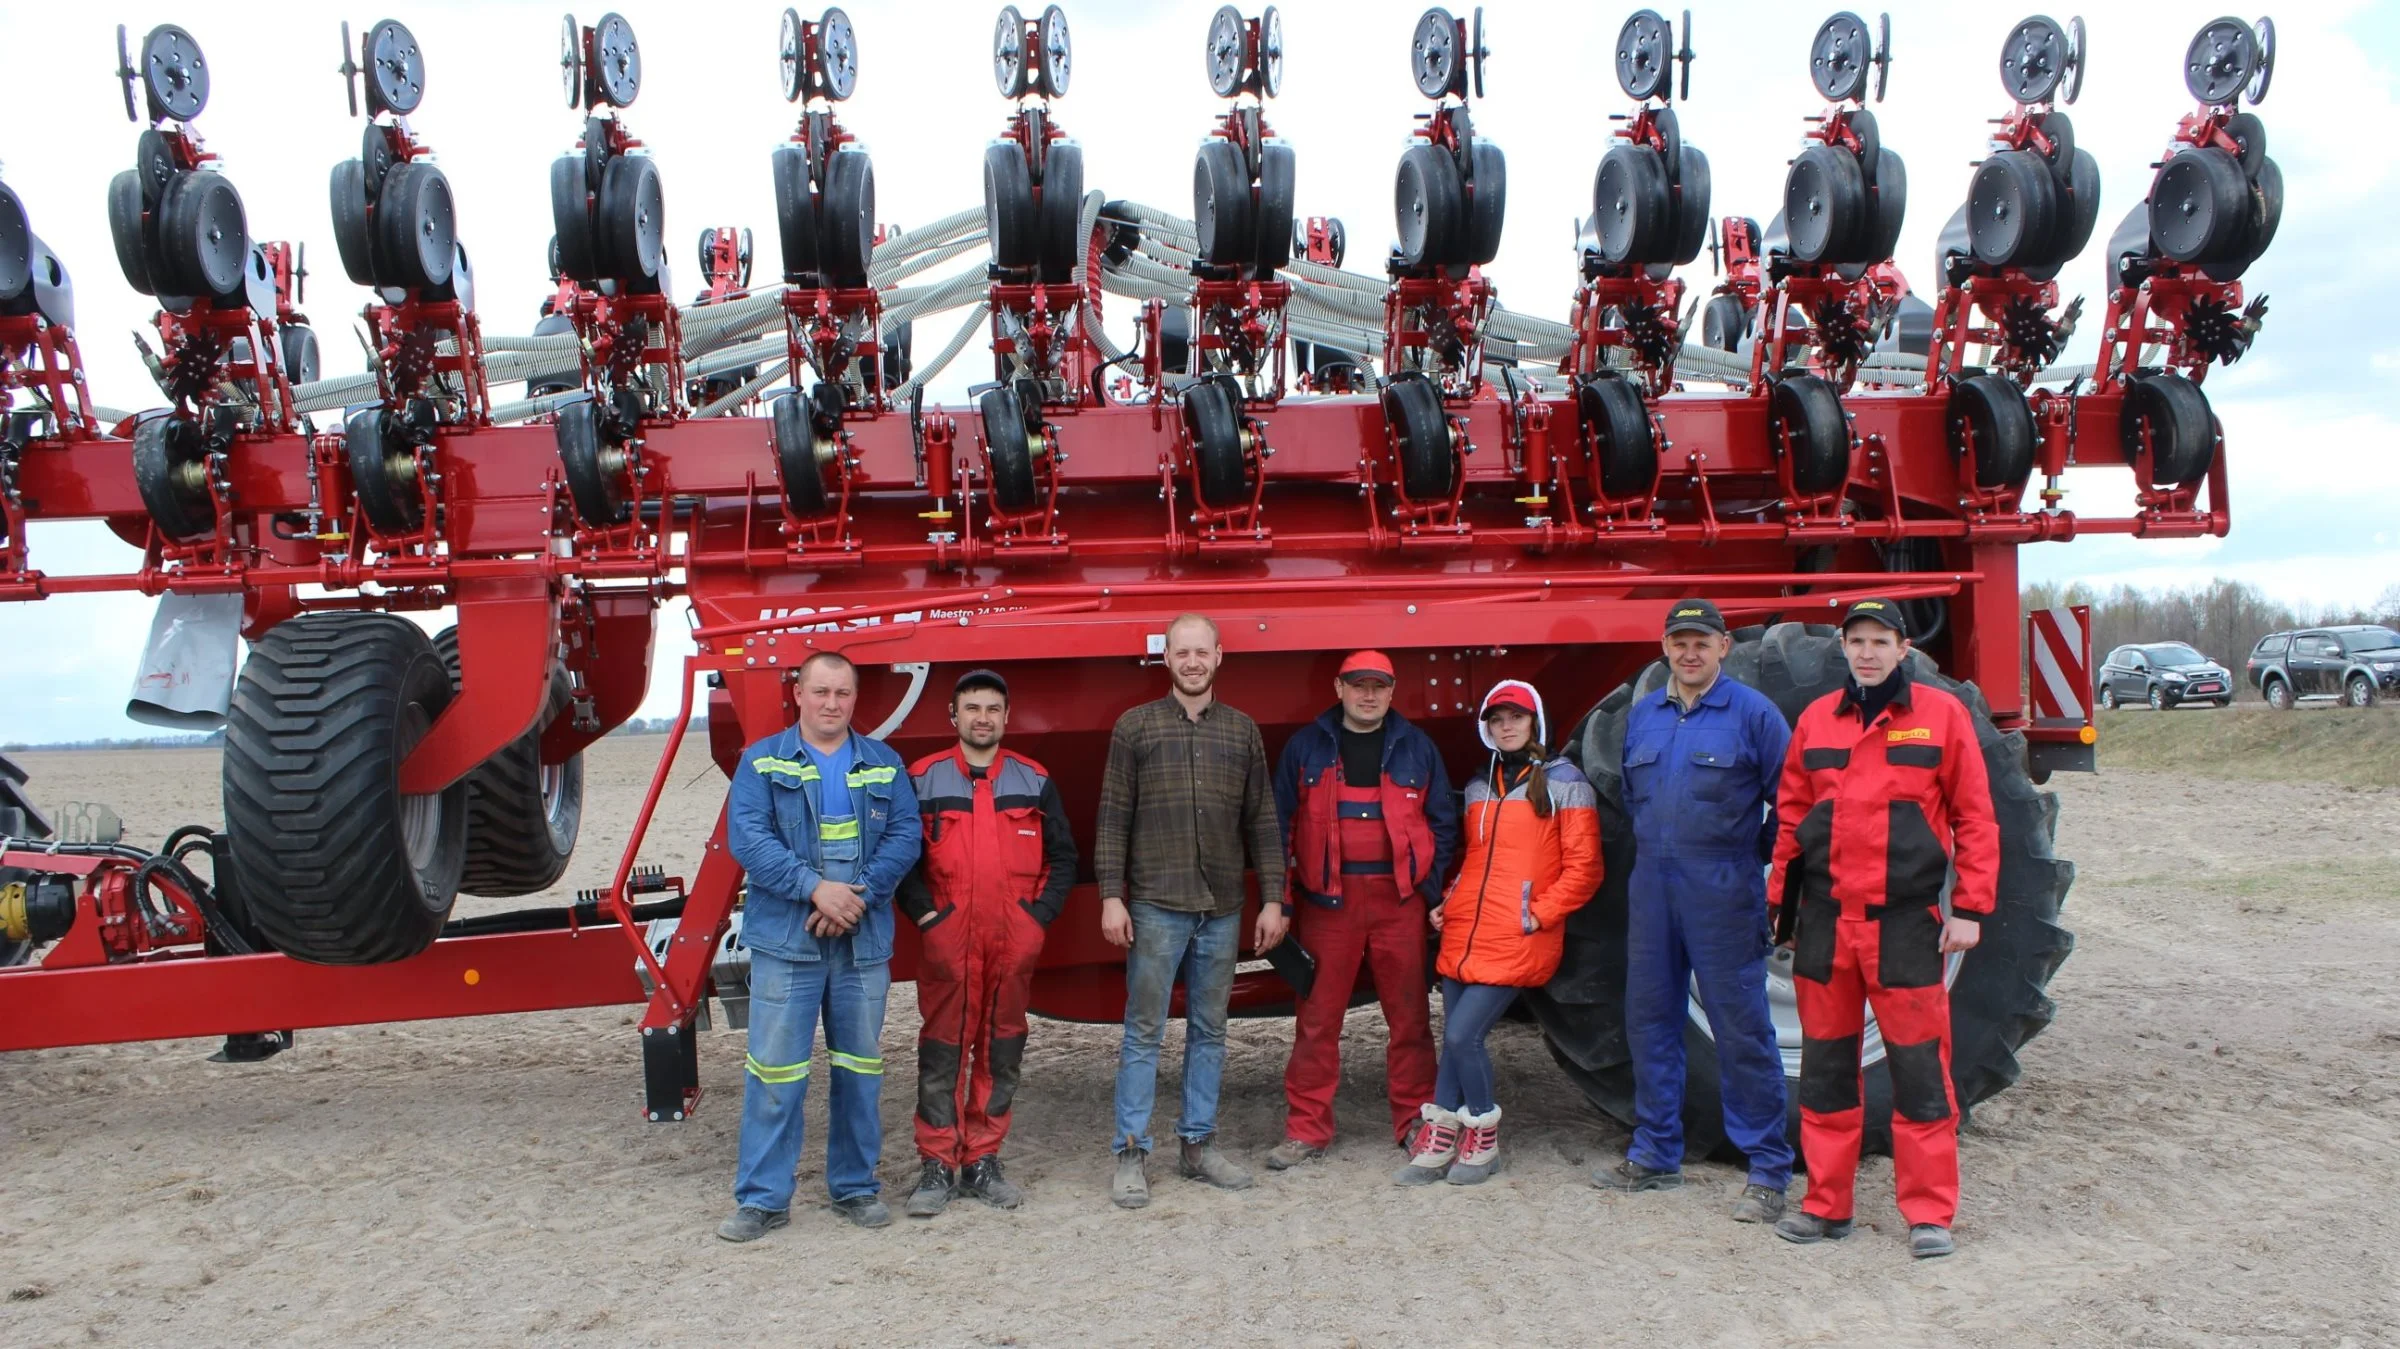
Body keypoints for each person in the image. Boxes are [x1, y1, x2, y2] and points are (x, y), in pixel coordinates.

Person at [1768, 598, 1997, 1260]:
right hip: (1826, 926)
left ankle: (1929, 1213)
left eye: (1880, 640)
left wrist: (1972, 908)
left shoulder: (1941, 718)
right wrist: (1782, 914)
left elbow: (1977, 818)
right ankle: (1825, 1203)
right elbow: (1790, 822)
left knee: (1921, 1072)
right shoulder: (1816, 721)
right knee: (1826, 1072)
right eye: (1856, 640)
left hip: (1905, 926)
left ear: (1904, 649)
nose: (1867, 652)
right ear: (1843, 647)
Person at [1594, 599, 1796, 1222]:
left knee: (1741, 1028)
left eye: (1702, 642)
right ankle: (1656, 1152)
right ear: (1664, 647)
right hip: (1653, 888)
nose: (1690, 653)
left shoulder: (1754, 715)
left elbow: (1790, 803)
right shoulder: (1645, 716)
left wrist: (1747, 861)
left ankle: (1767, 1168)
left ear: (1723, 647)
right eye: (1680, 642)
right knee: (1650, 1020)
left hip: (1723, 890)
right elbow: (1635, 798)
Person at [716, 651, 923, 1239]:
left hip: (861, 940)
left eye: (843, 694)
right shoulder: (760, 764)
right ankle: (762, 1200)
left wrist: (855, 896)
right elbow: (749, 840)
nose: (832, 704)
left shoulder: (884, 764)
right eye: (821, 692)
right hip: (788, 944)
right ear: (798, 694)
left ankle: (855, 1189)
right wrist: (816, 891)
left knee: (860, 1070)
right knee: (775, 1073)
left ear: (856, 699)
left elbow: (907, 836)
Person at [1093, 613, 1287, 1209]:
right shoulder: (1136, 727)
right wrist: (1110, 895)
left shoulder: (1242, 731)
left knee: (1210, 1031)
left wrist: (1274, 898)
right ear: (1167, 658)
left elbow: (1262, 819)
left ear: (1219, 657)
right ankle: (1131, 1151)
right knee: (1144, 1031)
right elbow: (1112, 817)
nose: (1193, 661)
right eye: (1183, 652)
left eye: (1202, 652)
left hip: (1223, 906)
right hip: (1156, 904)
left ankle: (1198, 1145)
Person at [1395, 679, 1602, 1187]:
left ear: (1536, 724)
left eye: (1516, 718)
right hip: (1468, 928)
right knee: (1455, 1038)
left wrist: (1539, 913)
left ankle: (1483, 1138)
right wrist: (1451, 900)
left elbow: (1585, 868)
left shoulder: (1565, 782)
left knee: (1467, 1035)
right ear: (1486, 728)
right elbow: (1477, 861)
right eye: (1496, 719)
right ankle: (1441, 1135)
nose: (1506, 727)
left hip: (1517, 932)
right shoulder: (1479, 785)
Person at [897, 669, 1078, 1218]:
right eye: (971, 708)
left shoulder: (1033, 779)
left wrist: (1035, 918)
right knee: (942, 1053)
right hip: (949, 943)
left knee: (1001, 1053)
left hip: (1012, 943)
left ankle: (983, 1157)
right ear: (953, 717)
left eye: (992, 709)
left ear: (1005, 716)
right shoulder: (922, 778)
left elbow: (1064, 858)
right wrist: (930, 917)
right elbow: (900, 861)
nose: (982, 718)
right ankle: (936, 1163)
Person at [1267, 650, 1458, 1169]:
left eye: (1378, 686)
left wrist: (1425, 890)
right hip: (1327, 905)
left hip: (1398, 904)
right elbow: (1278, 828)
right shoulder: (1306, 747)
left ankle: (1415, 1121)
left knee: (1411, 1018)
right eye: (1358, 685)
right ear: (1339, 687)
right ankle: (1307, 1131)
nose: (1368, 695)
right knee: (1316, 1021)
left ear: (1392, 692)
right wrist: (1281, 901)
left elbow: (1443, 822)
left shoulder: (1417, 747)